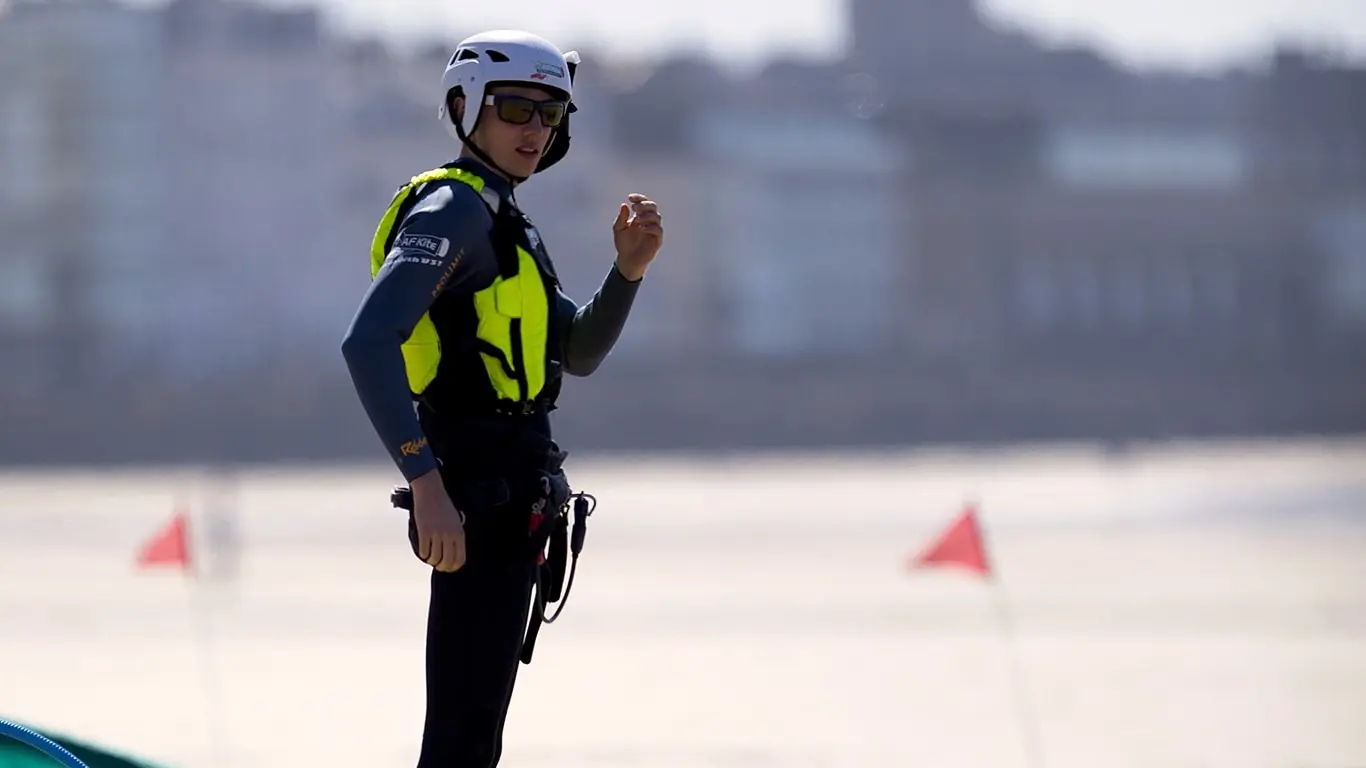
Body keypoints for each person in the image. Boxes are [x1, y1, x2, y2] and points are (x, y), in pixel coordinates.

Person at [339, 29, 664, 768]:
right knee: (461, 730)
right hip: (471, 497)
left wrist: (628, 271)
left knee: (477, 726)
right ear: (466, 107)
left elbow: (575, 352)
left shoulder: (503, 219)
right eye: (517, 109)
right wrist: (425, 484)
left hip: (515, 495)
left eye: (551, 116)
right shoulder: (453, 210)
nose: (534, 131)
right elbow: (368, 341)